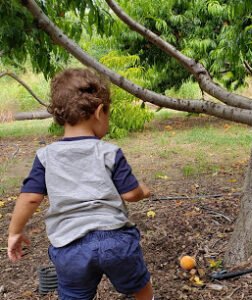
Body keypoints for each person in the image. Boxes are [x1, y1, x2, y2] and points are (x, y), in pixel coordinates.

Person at [7, 68, 154, 300]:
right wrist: (144, 190)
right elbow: (130, 193)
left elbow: (31, 197)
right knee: (139, 283)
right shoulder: (109, 152)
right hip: (115, 241)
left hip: (69, 247)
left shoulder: (46, 156)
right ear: (98, 112)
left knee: (74, 294)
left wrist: (14, 232)